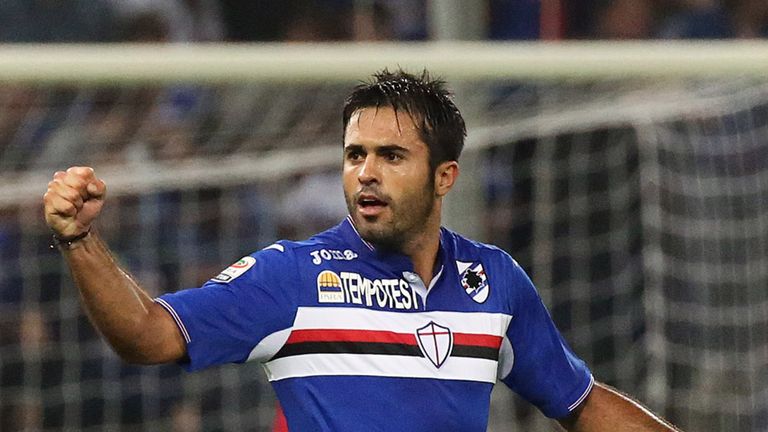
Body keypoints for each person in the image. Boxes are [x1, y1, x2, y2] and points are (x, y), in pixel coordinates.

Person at [43, 69, 682, 431]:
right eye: (355, 155)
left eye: (391, 156)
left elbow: (582, 403)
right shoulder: (292, 277)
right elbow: (148, 335)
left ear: (444, 177)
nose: (365, 173)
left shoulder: (494, 280)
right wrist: (80, 238)